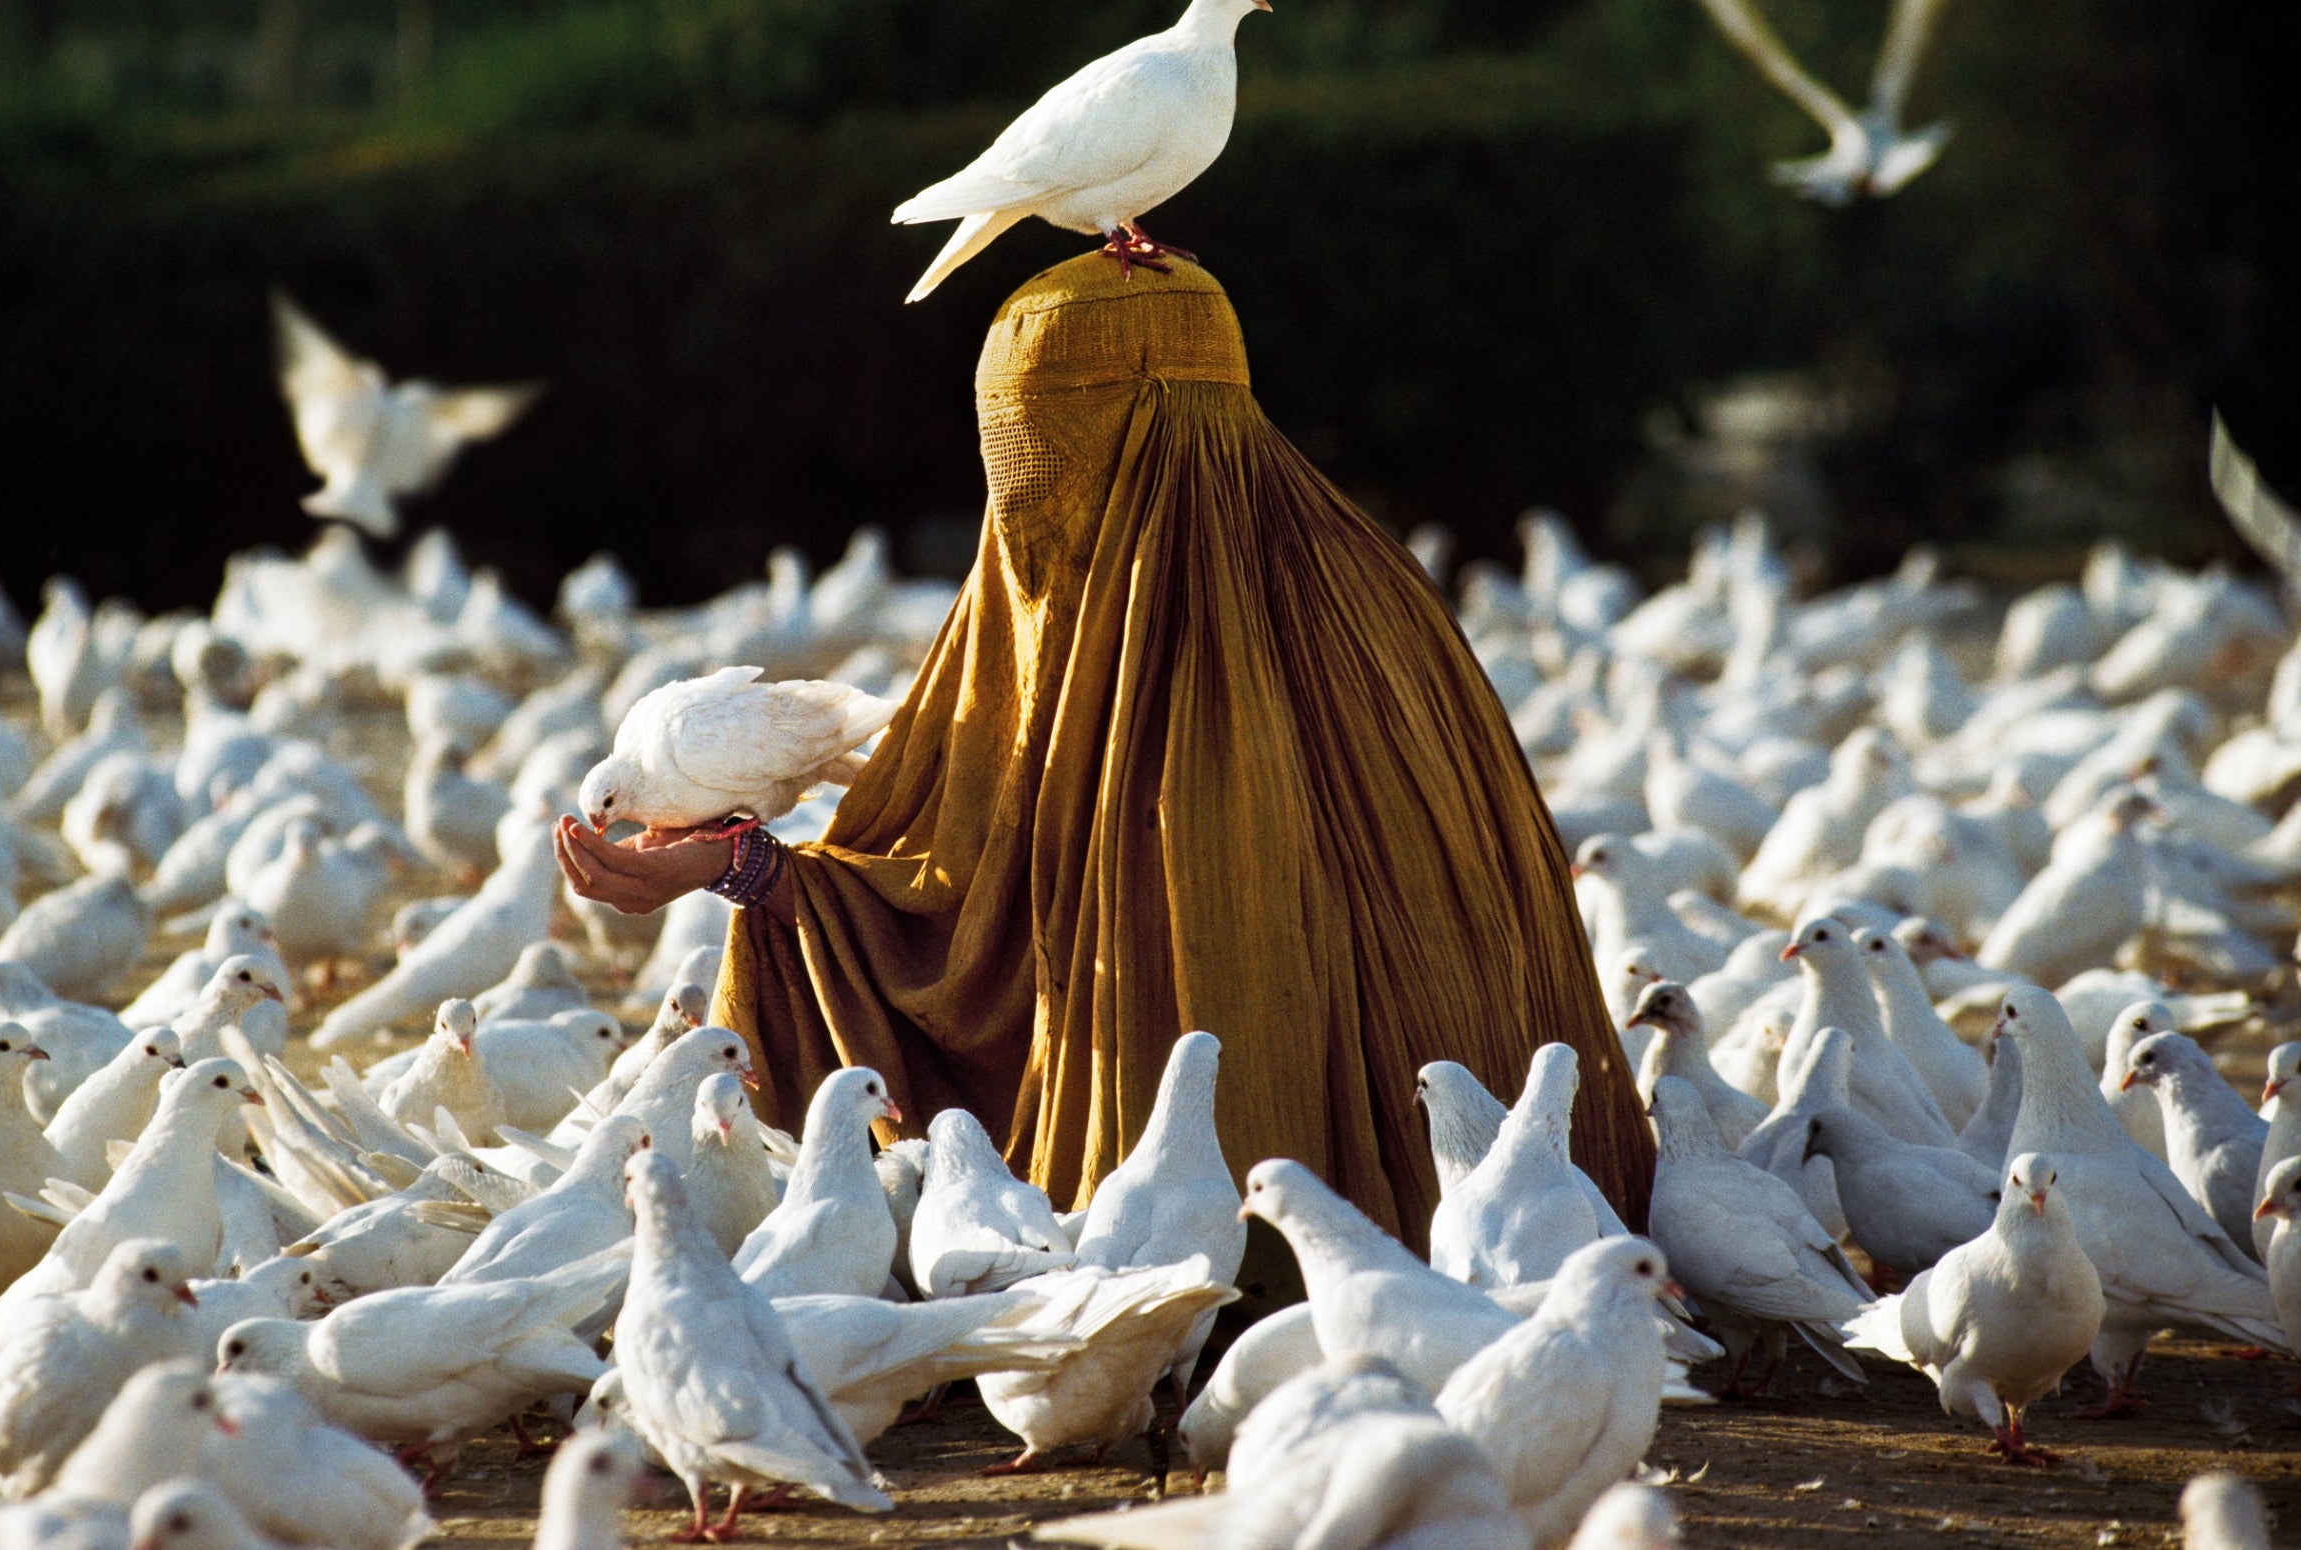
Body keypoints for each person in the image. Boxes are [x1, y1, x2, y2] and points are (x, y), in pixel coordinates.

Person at [556, 254, 1653, 1243]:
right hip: (1526, 1232)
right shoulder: (1364, 600)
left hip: (1215, 1236)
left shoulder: (1261, 639)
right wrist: (730, 862)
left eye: (1048, 451)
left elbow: (990, 966)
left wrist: (748, 872)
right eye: (1008, 457)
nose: (1027, 502)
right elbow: (962, 917)